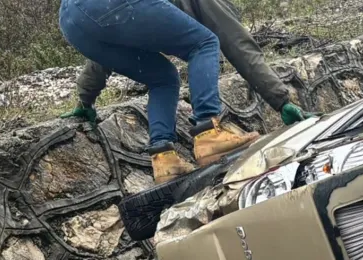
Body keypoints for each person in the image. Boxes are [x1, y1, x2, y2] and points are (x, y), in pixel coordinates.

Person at [59, 0, 312, 184]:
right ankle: (208, 132)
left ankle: (164, 158)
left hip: (73, 22)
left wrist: (85, 100)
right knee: (204, 43)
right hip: (108, 7)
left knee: (162, 78)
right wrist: (281, 101)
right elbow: (237, 43)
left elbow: (101, 41)